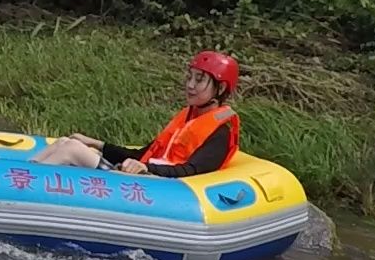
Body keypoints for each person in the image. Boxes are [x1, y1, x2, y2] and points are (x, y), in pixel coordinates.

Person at [34, 51, 241, 177]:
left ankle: (20, 187)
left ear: (220, 89)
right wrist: (97, 144)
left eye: (199, 80)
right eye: (190, 77)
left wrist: (146, 169)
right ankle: (17, 175)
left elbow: (191, 171)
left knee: (71, 149)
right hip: (143, 176)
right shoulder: (187, 119)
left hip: (155, 186)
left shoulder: (219, 134)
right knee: (64, 141)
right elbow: (141, 154)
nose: (190, 85)